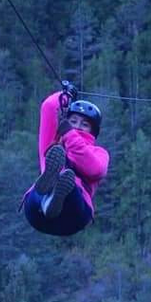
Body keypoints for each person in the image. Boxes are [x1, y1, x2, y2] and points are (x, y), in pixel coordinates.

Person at [22, 86, 109, 237]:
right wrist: (65, 95)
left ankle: (55, 194)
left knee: (68, 183)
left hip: (74, 216)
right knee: (48, 180)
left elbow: (95, 169)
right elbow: (49, 107)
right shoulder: (53, 142)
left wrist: (69, 134)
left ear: (92, 131)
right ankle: (49, 196)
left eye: (84, 124)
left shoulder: (99, 153)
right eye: (73, 121)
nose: (77, 127)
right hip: (36, 213)